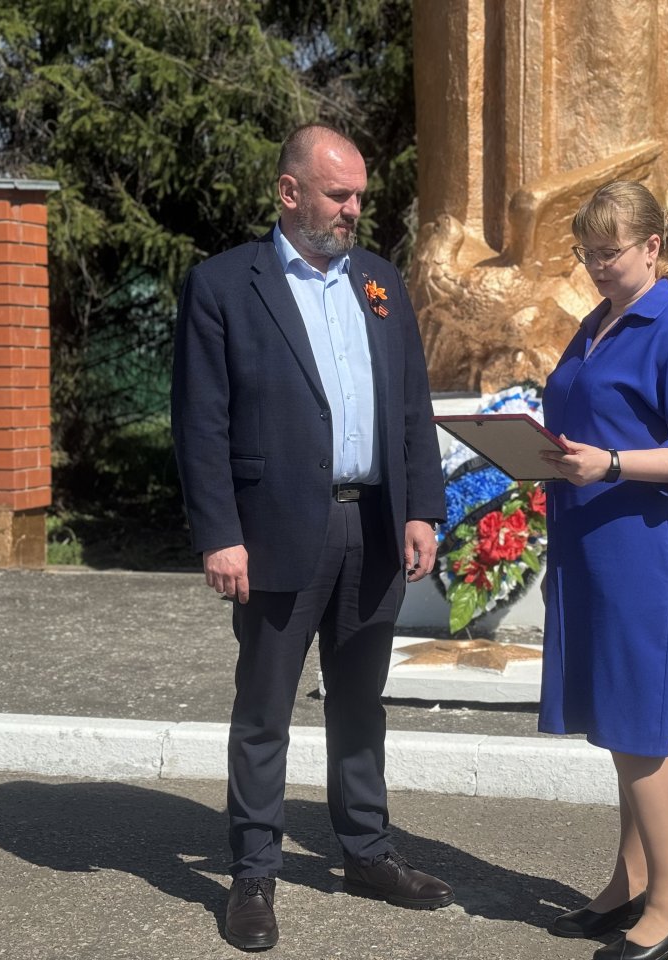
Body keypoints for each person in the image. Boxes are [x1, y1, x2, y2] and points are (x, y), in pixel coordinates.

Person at [171, 123, 452, 952]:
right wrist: (219, 534)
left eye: (359, 194)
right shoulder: (225, 285)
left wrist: (422, 509)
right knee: (264, 710)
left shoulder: (380, 282)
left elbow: (411, 404)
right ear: (290, 192)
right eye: (339, 194)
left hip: (373, 524)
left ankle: (366, 851)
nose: (354, 208)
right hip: (274, 531)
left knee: (360, 704)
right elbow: (200, 423)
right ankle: (254, 872)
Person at [537, 180, 668, 960]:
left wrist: (612, 463)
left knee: (641, 726)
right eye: (585, 252)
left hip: (640, 550)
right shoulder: (597, 322)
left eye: (608, 252)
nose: (595, 266)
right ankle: (630, 881)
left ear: (653, 246)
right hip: (588, 540)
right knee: (616, 720)